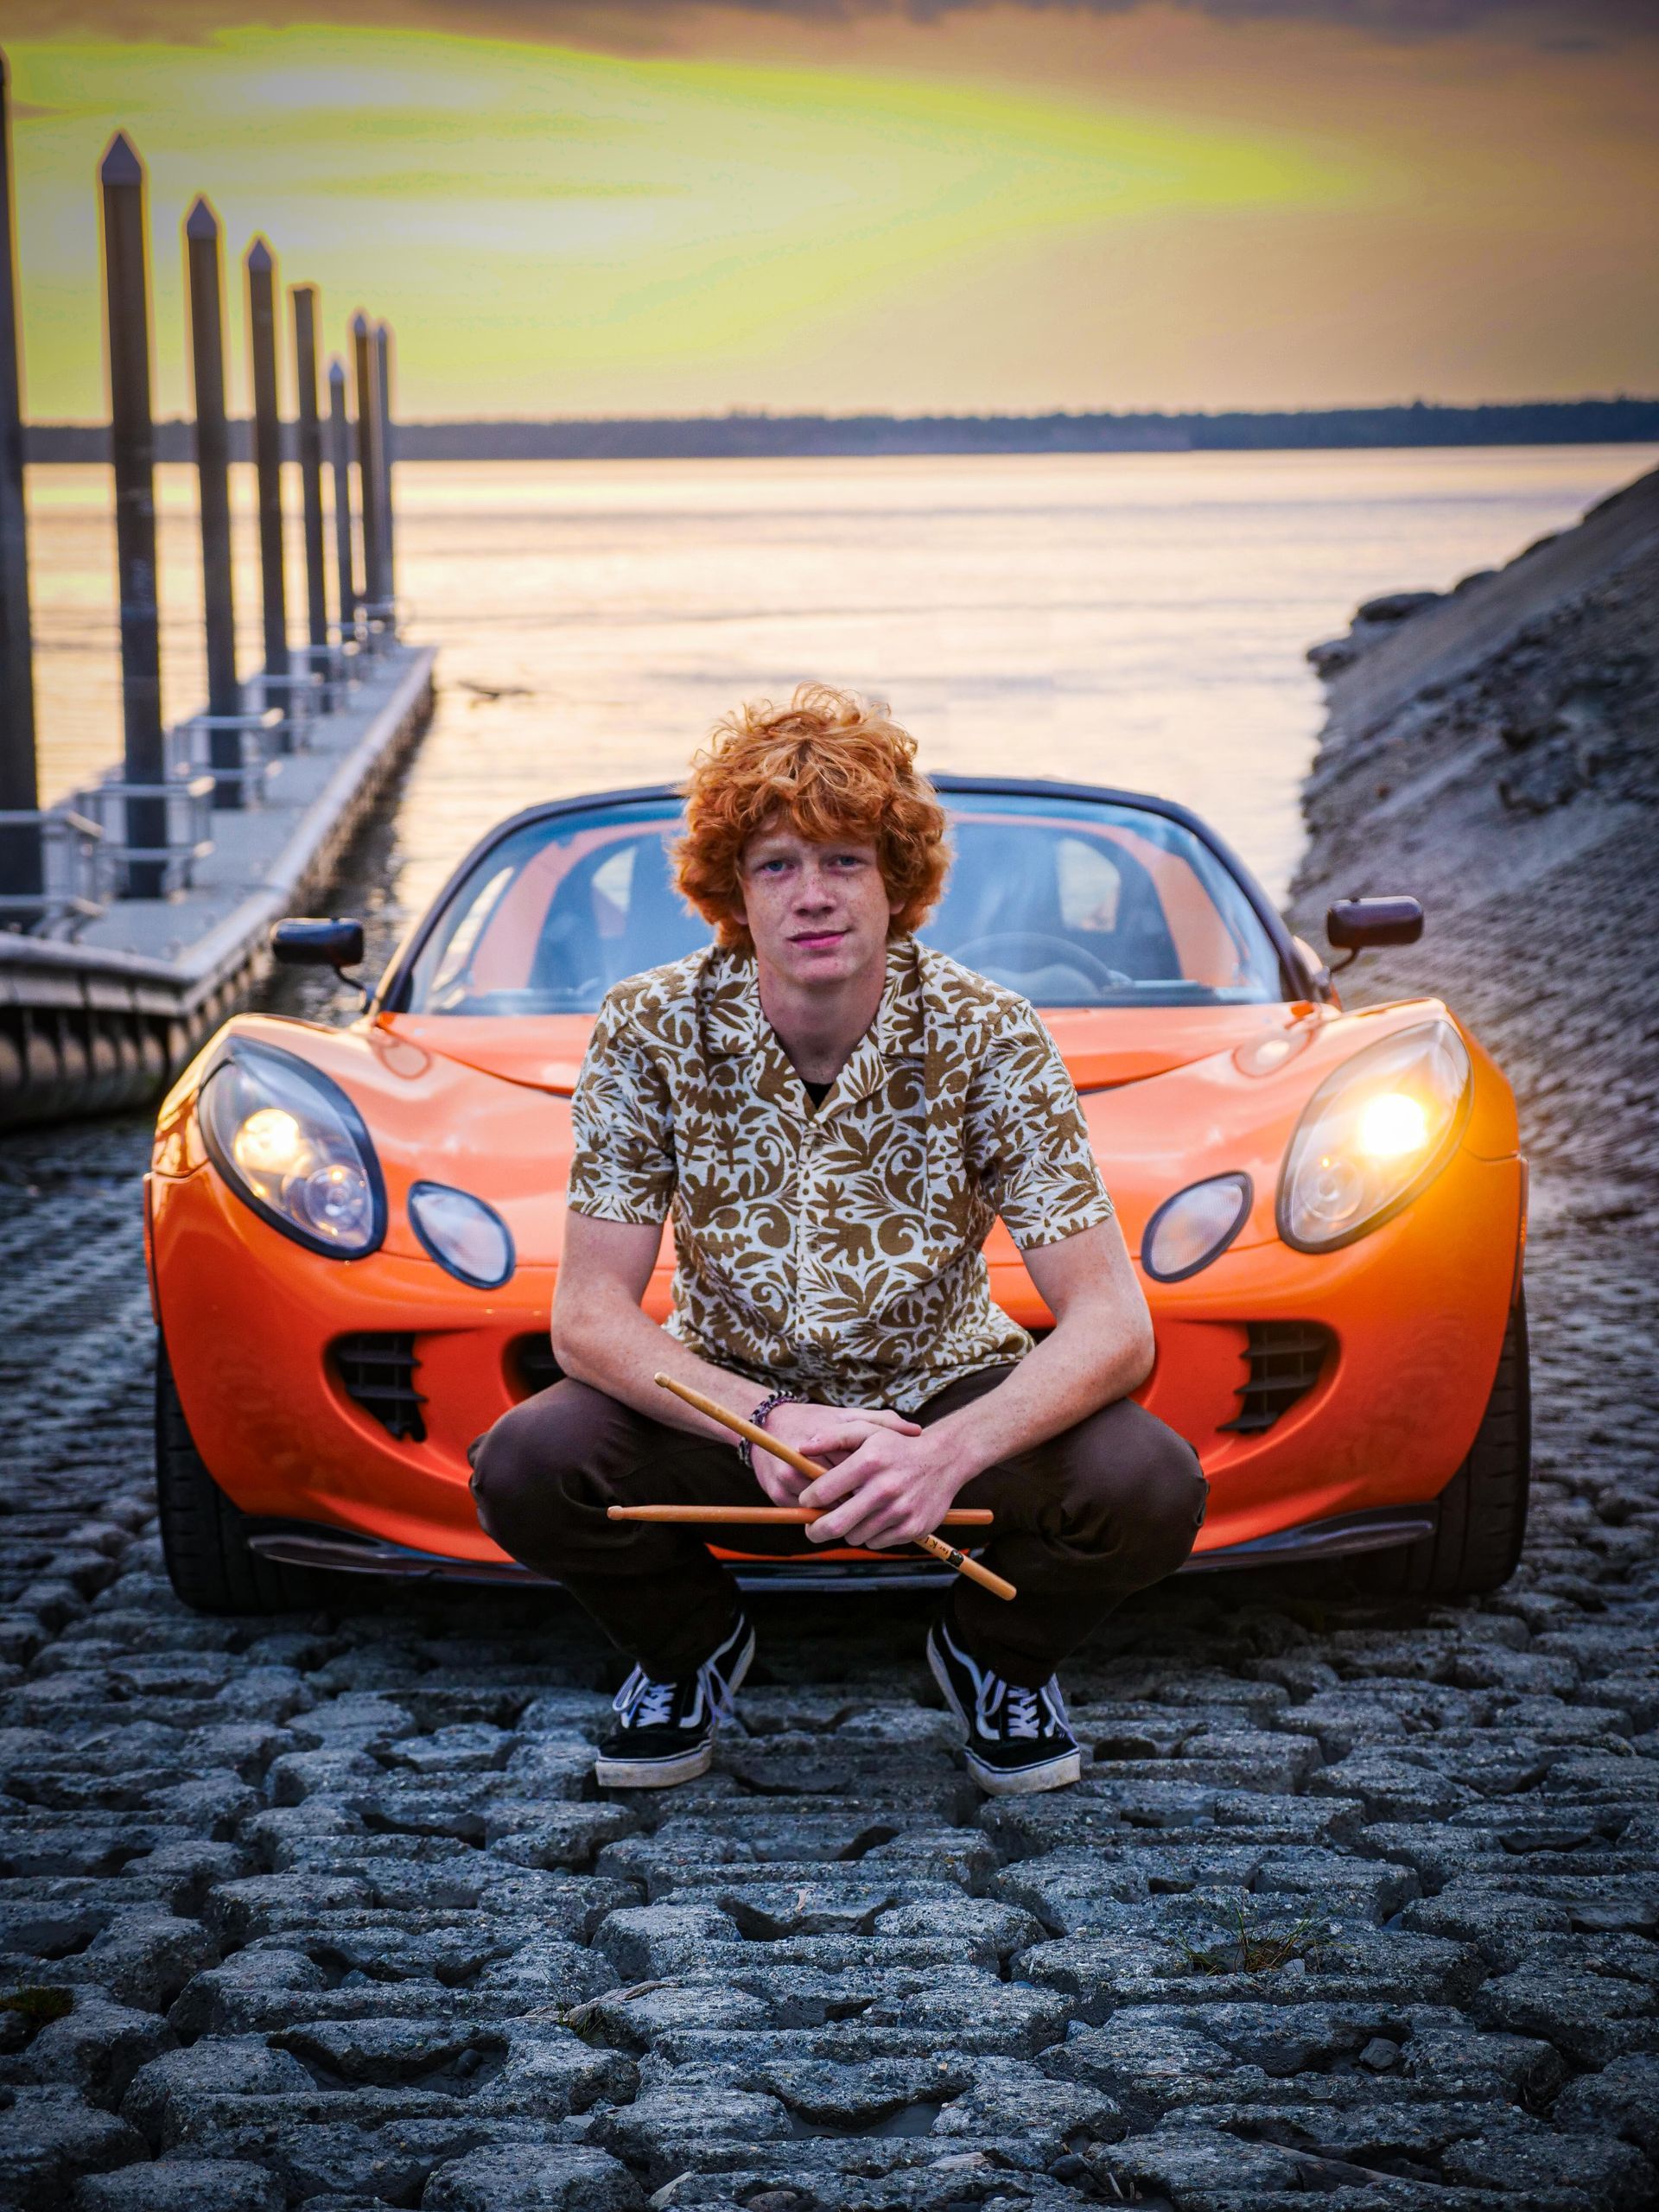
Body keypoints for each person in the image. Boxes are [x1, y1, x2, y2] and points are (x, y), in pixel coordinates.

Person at [469, 685, 1207, 1796]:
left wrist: (944, 1453)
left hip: (946, 1394)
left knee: (1150, 1481)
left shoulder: (990, 1030)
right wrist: (766, 1415)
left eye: (845, 861)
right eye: (776, 865)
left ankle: (994, 1656)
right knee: (525, 1463)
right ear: (733, 893)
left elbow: (1113, 1325)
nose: (812, 895)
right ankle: (686, 1648)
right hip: (726, 1407)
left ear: (896, 880)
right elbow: (587, 1318)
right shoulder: (649, 1026)